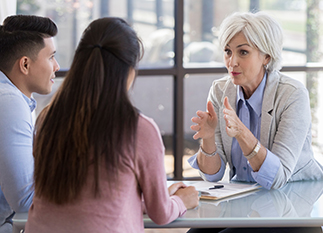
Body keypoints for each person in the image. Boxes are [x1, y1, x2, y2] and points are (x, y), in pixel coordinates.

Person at [25, 17, 198, 233]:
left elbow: (84, 203)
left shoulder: (47, 118)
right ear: (129, 70)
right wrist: (182, 200)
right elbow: (161, 213)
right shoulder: (138, 128)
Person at [187, 11, 323, 233]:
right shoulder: (220, 91)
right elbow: (213, 175)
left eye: (243, 52)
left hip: (292, 207)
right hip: (243, 204)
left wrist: (242, 133)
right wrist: (208, 140)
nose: (231, 61)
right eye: (227, 51)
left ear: (267, 56)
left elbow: (277, 178)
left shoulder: (292, 95)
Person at [0, 15, 59, 232]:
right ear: (25, 64)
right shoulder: (8, 101)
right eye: (51, 57)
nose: (57, 66)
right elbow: (25, 201)